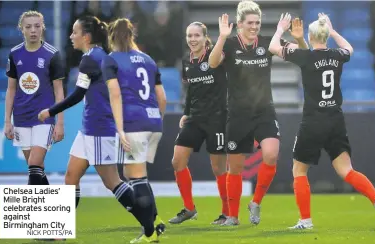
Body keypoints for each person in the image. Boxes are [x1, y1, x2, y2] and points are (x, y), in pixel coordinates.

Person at [268, 13, 375, 229]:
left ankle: (305, 221)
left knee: (299, 170)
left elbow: (272, 47)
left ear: (310, 35)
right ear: (325, 36)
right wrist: (333, 31)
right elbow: (350, 49)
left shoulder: (304, 57)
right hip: (335, 119)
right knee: (347, 171)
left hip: (313, 121)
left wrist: (280, 29)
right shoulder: (336, 55)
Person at [208, 1, 308, 226]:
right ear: (239, 24)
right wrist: (222, 37)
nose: (254, 27)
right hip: (237, 114)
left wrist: (300, 38)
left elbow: (302, 55)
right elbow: (212, 63)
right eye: (250, 23)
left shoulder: (267, 43)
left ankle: (256, 202)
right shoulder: (230, 44)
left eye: (258, 23)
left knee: (271, 155)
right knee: (235, 167)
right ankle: (232, 216)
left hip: (264, 111)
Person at [102, 18, 167, 243]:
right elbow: (162, 98)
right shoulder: (148, 60)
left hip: (133, 123)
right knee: (134, 174)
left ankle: (150, 233)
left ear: (112, 37)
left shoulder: (111, 60)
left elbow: (115, 94)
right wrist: (157, 120)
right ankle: (153, 222)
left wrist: (120, 129)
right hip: (153, 122)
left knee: (136, 176)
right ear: (132, 35)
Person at [168, 22, 228, 225]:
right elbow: (191, 90)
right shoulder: (186, 61)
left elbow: (217, 61)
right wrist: (186, 113)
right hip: (195, 118)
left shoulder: (216, 54)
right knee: (177, 161)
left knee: (218, 168)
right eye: (189, 36)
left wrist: (222, 37)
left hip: (217, 119)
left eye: (196, 36)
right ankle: (189, 208)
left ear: (205, 37)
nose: (192, 39)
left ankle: (227, 213)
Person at [4, 11, 65, 186]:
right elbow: (11, 89)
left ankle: (31, 210)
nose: (33, 30)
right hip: (22, 117)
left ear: (42, 28)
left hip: (44, 118)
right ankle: (50, 209)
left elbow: (59, 92)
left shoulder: (52, 54)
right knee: (37, 169)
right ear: (21, 29)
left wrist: (60, 122)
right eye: (28, 27)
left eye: (37, 26)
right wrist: (8, 121)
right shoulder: (14, 54)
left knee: (33, 165)